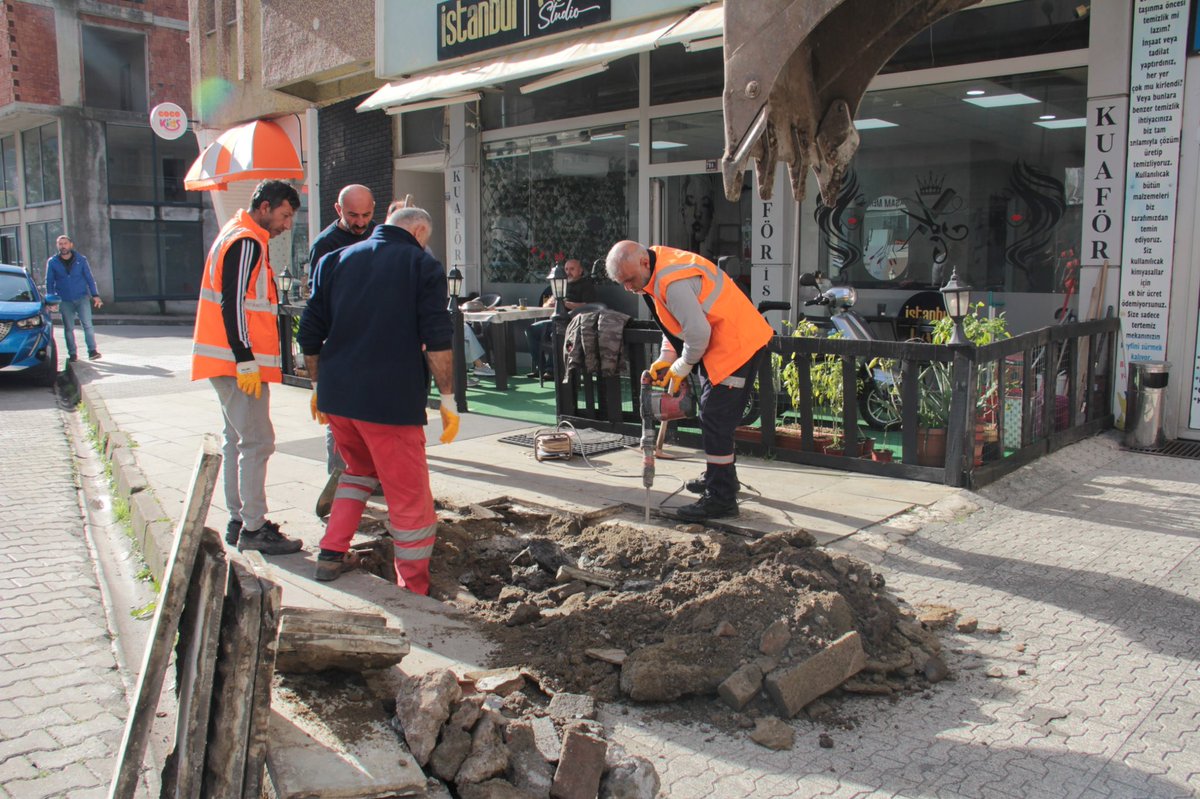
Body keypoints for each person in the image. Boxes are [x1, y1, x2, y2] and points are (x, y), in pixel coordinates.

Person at [297, 205, 459, 593]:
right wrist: (448, 399)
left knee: (357, 472)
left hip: (338, 397)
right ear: (419, 232)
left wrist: (319, 386)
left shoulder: (334, 259)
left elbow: (309, 330)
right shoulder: (422, 265)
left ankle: (331, 552)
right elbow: (437, 338)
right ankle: (413, 587)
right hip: (389, 403)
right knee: (410, 497)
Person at [605, 240, 773, 520]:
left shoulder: (672, 281)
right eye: (621, 283)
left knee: (716, 419)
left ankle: (721, 499)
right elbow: (676, 321)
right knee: (715, 416)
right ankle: (721, 479)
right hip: (725, 344)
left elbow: (697, 334)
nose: (628, 288)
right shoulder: (658, 269)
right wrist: (666, 357)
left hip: (736, 346)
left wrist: (682, 365)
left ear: (643, 263)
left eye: (629, 280)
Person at [191, 180, 304, 556]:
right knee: (257, 442)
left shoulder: (236, 234)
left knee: (237, 441)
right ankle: (254, 527)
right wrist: (245, 359)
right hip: (238, 363)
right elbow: (233, 303)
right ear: (266, 206)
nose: (287, 224)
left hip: (226, 361)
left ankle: (240, 520)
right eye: (285, 215)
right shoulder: (246, 241)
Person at [308, 184, 377, 477]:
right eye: (353, 215)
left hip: (373, 340)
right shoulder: (324, 245)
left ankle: (372, 474)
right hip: (339, 340)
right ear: (338, 210)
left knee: (372, 412)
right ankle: (340, 477)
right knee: (339, 414)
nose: (361, 222)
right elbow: (318, 302)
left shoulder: (378, 233)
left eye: (366, 214)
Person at [524, 258, 597, 378]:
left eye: (572, 269)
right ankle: (540, 368)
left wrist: (566, 304)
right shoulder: (561, 283)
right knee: (531, 330)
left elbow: (588, 305)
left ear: (580, 270)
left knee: (557, 332)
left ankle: (551, 370)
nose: (568, 272)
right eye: (566, 269)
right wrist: (552, 303)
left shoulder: (586, 285)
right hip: (554, 320)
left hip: (573, 323)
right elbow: (545, 305)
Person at [45, 235, 102, 362]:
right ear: (57, 246)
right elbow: (49, 282)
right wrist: (51, 300)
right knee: (69, 328)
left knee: (88, 325)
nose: (63, 246)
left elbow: (89, 278)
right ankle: (72, 354)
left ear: (71, 245)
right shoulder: (53, 262)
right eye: (60, 244)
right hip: (64, 300)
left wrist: (95, 295)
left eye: (65, 243)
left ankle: (92, 351)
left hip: (81, 297)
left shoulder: (81, 259)